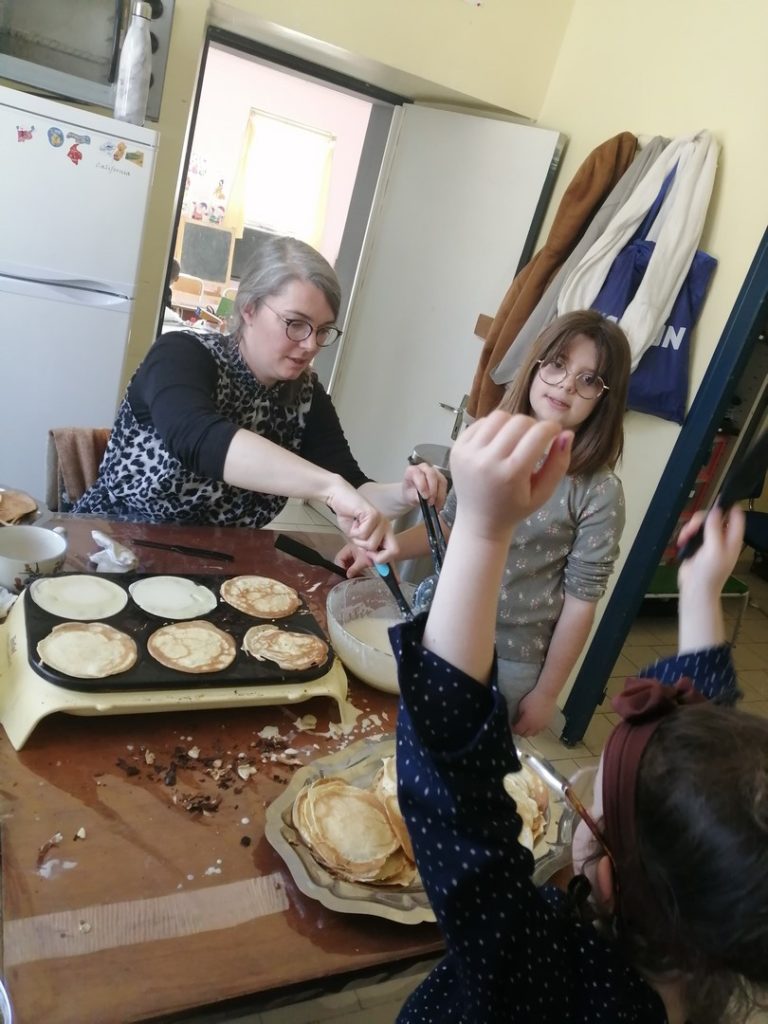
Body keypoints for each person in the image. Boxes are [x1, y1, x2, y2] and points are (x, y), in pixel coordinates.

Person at [391, 410, 768, 1024]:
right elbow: (709, 761)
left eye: (592, 800)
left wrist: (482, 531)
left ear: (608, 878)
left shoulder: (530, 967)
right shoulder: (706, 958)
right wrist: (701, 590)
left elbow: (453, 787)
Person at [339, 310, 631, 735]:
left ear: (605, 399)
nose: (567, 384)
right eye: (557, 364)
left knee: (460, 757)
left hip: (508, 659)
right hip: (437, 622)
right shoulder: (491, 445)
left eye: (588, 380)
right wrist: (390, 548)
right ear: (535, 365)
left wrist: (547, 693)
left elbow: (580, 603)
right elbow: (449, 528)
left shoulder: (599, 492)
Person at [74, 236, 446, 556]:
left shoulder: (306, 397)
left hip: (216, 560)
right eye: (295, 323)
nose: (310, 345)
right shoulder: (180, 356)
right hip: (111, 545)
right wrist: (329, 488)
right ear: (249, 308)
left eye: (322, 331)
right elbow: (198, 438)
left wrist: (404, 495)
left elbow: (351, 484)